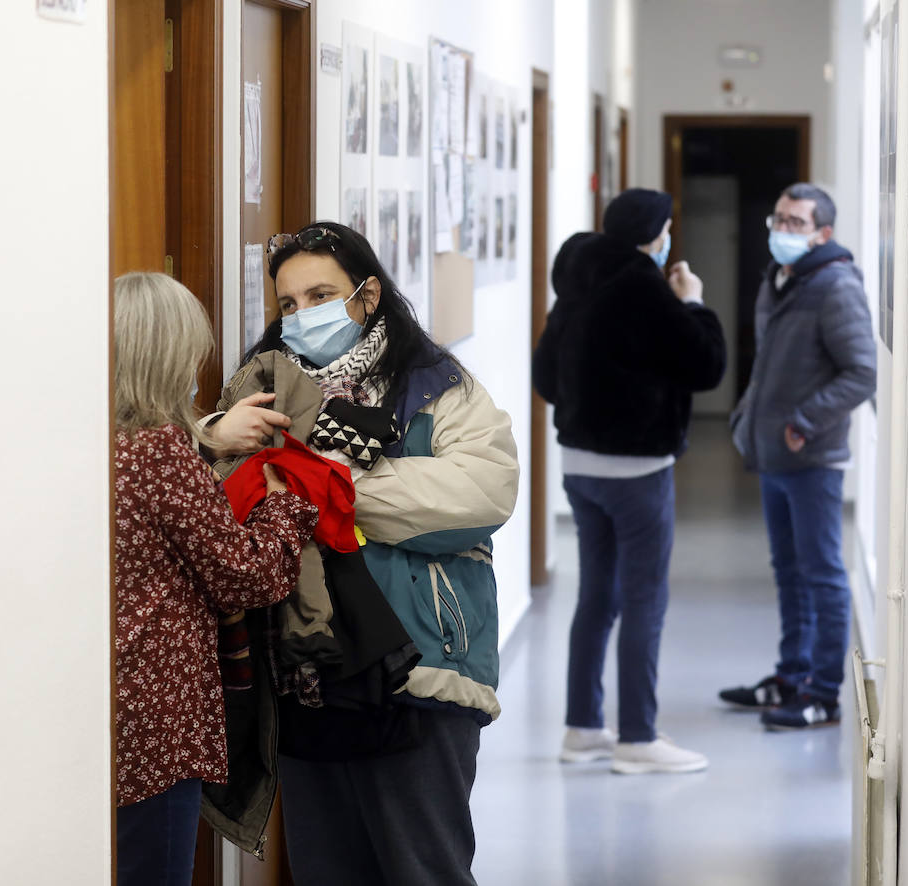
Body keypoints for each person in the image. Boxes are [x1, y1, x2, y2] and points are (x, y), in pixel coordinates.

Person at [221, 222, 519, 885]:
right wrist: (217, 436)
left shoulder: (436, 386)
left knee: (423, 867)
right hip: (305, 674)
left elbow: (482, 490)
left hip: (420, 669)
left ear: (368, 295)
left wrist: (329, 488)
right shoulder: (261, 391)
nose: (302, 316)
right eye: (289, 303)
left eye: (321, 294)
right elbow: (223, 505)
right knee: (328, 869)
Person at [111, 272, 319, 886]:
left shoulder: (91, 441)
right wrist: (286, 500)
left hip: (106, 703)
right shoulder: (160, 452)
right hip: (159, 714)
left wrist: (204, 437)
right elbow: (246, 576)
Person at [532, 188, 726, 774]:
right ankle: (639, 738)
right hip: (637, 469)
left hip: (579, 467)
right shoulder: (646, 287)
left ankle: (583, 728)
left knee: (597, 596)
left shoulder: (576, 278)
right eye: (667, 228)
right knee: (644, 599)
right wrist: (692, 303)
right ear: (654, 234)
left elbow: (545, 372)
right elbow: (706, 366)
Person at [719, 183, 876, 731]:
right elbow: (768, 366)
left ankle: (824, 694)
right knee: (788, 572)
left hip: (811, 457)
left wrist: (802, 422)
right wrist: (747, 417)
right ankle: (791, 676)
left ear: (822, 234)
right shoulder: (780, 279)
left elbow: (861, 372)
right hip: (772, 456)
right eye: (778, 218)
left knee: (823, 575)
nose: (782, 231)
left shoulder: (834, 286)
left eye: (795, 223)